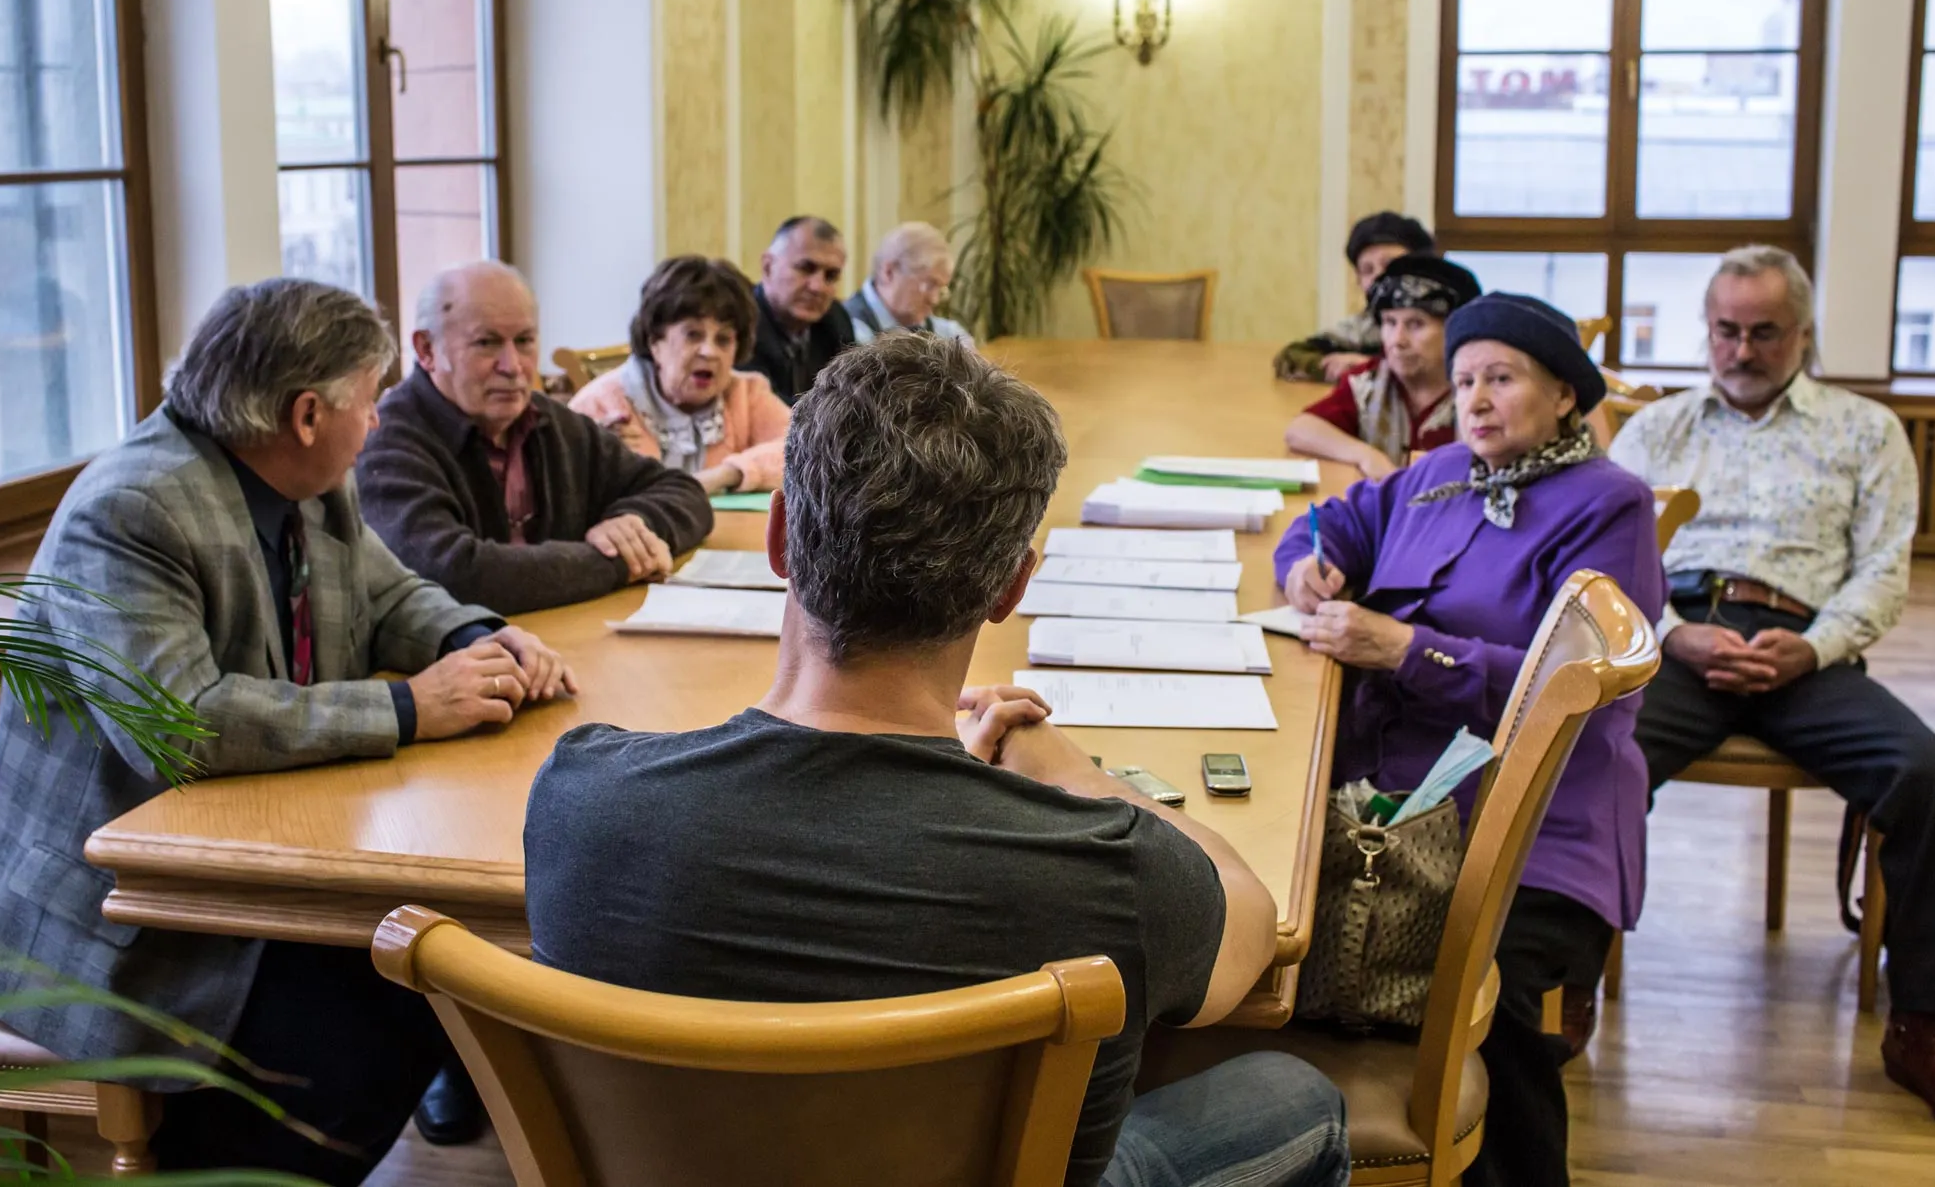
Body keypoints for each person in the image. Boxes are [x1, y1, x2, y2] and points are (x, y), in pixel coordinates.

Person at [526, 335, 1350, 1187]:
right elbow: (1256, 926)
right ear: (1010, 588)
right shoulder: (1112, 868)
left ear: (779, 537)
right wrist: (1080, 778)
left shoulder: (578, 796)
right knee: (1295, 1094)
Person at [0, 279, 575, 1183]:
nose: (378, 420)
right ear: (306, 413)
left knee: (433, 985)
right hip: (110, 917)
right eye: (371, 401)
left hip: (241, 856)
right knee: (375, 1025)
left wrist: (476, 638)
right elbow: (183, 726)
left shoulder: (310, 478)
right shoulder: (132, 511)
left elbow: (390, 592)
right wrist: (409, 708)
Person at [1610, 245, 1935, 1142]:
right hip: (1682, 638)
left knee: (1933, 774)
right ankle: (1557, 983)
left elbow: (1883, 572)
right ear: (1705, 330)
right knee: (1593, 757)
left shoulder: (1866, 429)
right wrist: (1675, 632)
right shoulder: (1656, 430)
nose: (1742, 349)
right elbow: (1610, 563)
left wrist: (1814, 645)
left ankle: (1930, 1029)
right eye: (1726, 330)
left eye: (1764, 332)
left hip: (1808, 649)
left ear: (1802, 334)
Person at [1277, 291, 1664, 1187]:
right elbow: (1333, 518)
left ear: (1566, 394)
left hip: (1533, 812)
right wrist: (1307, 563)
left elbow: (1580, 688)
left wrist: (1408, 648)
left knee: (1497, 1006)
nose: (1476, 399)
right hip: (1393, 791)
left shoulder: (1612, 502)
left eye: (1501, 378)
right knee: (1279, 927)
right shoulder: (1440, 470)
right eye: (1463, 381)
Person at [357, 260, 714, 616]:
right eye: (486, 343)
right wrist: (614, 559)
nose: (513, 366)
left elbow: (685, 493)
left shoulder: (549, 422)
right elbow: (454, 575)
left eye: (525, 341)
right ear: (426, 350)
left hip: (569, 642)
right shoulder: (387, 440)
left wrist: (634, 524)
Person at [569, 255, 791, 494]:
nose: (710, 352)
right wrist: (600, 461)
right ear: (655, 341)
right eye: (693, 335)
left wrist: (727, 474)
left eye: (723, 339)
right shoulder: (599, 404)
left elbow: (803, 451)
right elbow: (564, 488)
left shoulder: (746, 393)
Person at [1283, 254, 1479, 480]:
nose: (1398, 340)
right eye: (1390, 323)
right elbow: (1300, 430)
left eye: (1416, 324)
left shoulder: (1477, 392)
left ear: (1455, 331)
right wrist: (1366, 456)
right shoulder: (1370, 382)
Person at [1274, 211, 1436, 383]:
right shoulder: (1362, 327)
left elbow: (1446, 373)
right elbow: (1291, 356)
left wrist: (1368, 367)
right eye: (1367, 270)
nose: (1378, 277)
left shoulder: (1441, 321)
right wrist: (1330, 366)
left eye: (1390, 265)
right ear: (1359, 280)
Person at [740, 215, 856, 401]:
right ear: (768, 267)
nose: (818, 287)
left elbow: (853, 398)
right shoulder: (740, 323)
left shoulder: (835, 320)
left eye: (831, 275)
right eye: (806, 268)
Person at [846, 221, 975, 345]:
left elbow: (955, 335)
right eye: (929, 285)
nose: (934, 300)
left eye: (941, 289)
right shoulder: (848, 332)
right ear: (889, 272)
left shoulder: (944, 331)